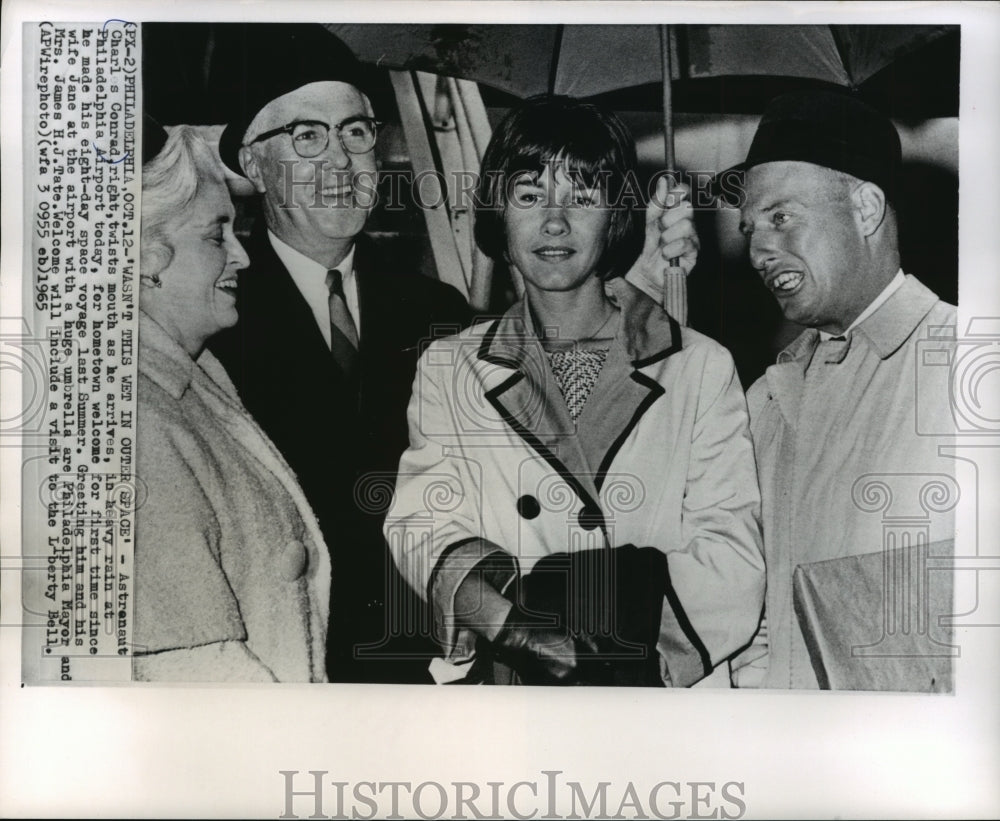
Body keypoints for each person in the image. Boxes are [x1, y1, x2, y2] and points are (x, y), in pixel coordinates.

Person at [206, 25, 701, 683]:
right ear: (254, 161)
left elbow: (555, 423)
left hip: (432, 665)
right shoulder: (213, 316)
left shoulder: (433, 309)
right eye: (308, 136)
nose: (341, 160)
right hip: (283, 668)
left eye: (356, 132)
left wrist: (635, 279)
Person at [385, 95, 765, 686]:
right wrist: (516, 630)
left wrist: (613, 656)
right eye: (530, 196)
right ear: (498, 213)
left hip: (652, 688)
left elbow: (731, 553)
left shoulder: (700, 367)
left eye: (582, 197)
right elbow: (420, 524)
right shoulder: (450, 367)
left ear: (615, 215)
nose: (554, 222)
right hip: (514, 690)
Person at [724, 91, 957, 689]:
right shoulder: (763, 400)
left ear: (866, 208)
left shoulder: (969, 364)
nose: (756, 250)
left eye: (782, 217)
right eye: (750, 228)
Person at [134, 126, 331, 682]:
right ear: (146, 257)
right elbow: (194, 670)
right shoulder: (140, 424)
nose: (242, 257)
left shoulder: (190, 385)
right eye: (216, 236)